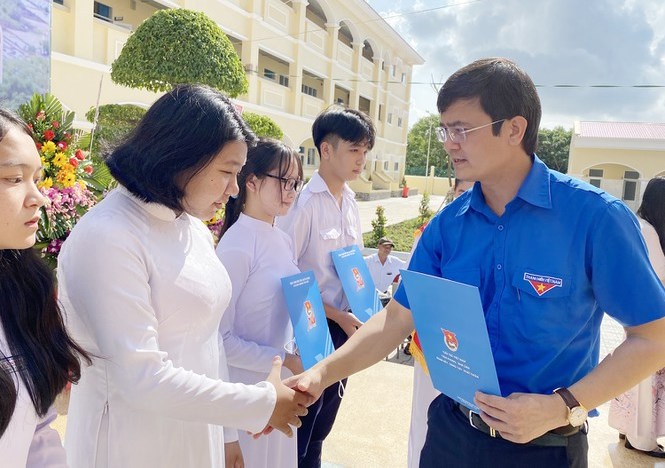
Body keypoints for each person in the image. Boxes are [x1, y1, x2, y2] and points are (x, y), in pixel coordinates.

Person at [286, 58, 665, 468]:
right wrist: (321, 374)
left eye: (462, 129)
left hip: (547, 447)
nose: (449, 143)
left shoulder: (594, 219)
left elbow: (653, 338)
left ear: (514, 129)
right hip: (452, 435)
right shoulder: (447, 227)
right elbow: (395, 320)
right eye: (445, 130)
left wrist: (563, 407)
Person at [57, 85, 309, 468]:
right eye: (227, 172)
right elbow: (140, 377)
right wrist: (259, 404)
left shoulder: (191, 227)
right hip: (130, 444)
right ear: (181, 157)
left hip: (196, 433)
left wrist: (228, 433)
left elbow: (210, 339)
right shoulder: (109, 235)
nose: (234, 189)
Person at [277, 105, 375, 467]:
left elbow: (354, 266)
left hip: (344, 327)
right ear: (326, 150)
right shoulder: (303, 204)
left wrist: (364, 313)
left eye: (365, 151)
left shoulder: (350, 202)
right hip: (311, 327)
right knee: (301, 425)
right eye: (354, 149)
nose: (361, 159)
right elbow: (287, 276)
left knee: (324, 424)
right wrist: (339, 317)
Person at [0, 107, 90, 466]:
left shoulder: (24, 295)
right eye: (14, 179)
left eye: (37, 179)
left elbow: (37, 428)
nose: (39, 197)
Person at [217, 138, 305, 467]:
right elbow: (220, 341)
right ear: (251, 181)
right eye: (284, 181)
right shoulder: (236, 245)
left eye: (296, 182)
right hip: (245, 391)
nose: (291, 191)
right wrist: (285, 359)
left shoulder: (283, 239)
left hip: (280, 385)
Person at [406, 177, 473, 468]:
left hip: (476, 348)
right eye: (462, 192)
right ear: (453, 192)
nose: (467, 199)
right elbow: (413, 291)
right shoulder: (431, 233)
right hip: (436, 343)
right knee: (426, 418)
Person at [608, 176, 665, 458]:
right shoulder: (648, 231)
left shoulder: (642, 225)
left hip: (641, 311)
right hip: (651, 313)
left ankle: (628, 430)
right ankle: (641, 440)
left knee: (639, 374)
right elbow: (657, 276)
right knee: (645, 377)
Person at [364, 237, 406, 306]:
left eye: (390, 247)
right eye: (385, 246)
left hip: (384, 297)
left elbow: (408, 266)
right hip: (368, 296)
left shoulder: (395, 262)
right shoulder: (367, 261)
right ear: (378, 246)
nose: (388, 249)